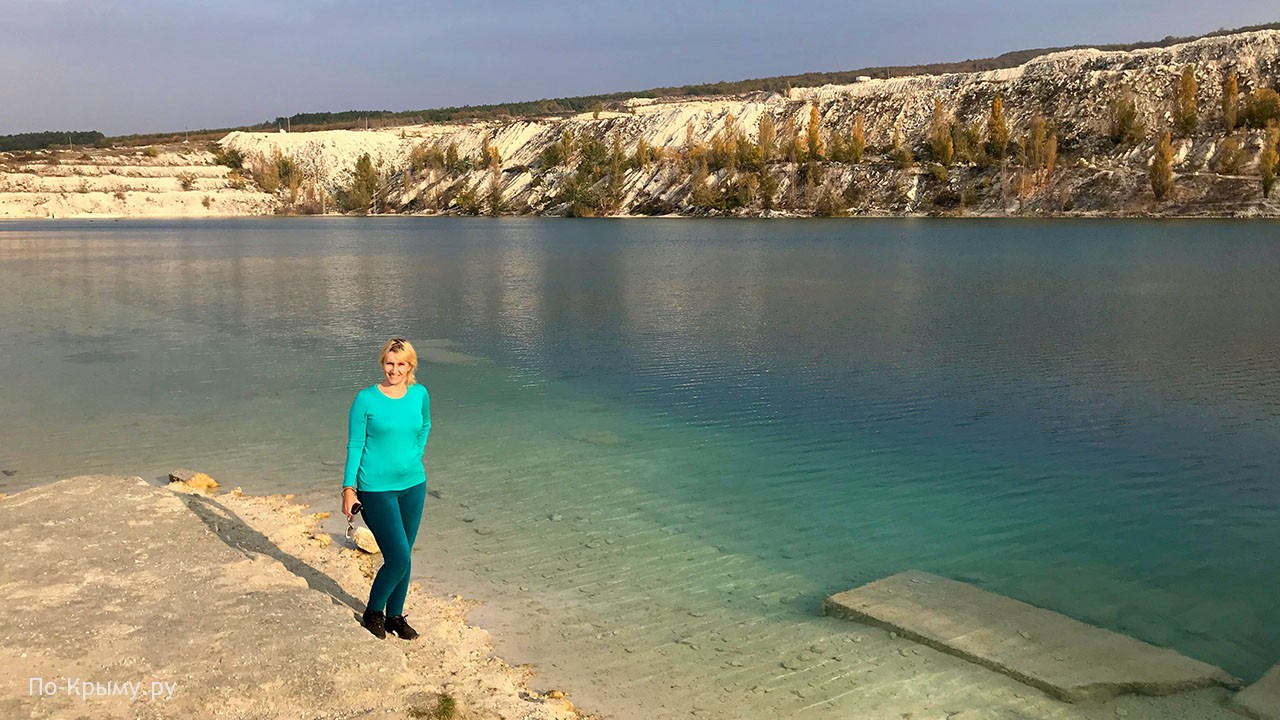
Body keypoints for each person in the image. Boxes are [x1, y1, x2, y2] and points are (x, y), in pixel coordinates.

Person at [341, 337, 431, 639]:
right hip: (376, 488)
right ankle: (373, 611)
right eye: (389, 363)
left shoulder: (420, 394)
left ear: (410, 366)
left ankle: (395, 615)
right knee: (399, 557)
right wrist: (348, 489)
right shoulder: (366, 399)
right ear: (383, 363)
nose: (394, 370)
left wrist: (415, 454)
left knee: (405, 553)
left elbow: (426, 425)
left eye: (400, 364)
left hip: (414, 485)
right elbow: (355, 444)